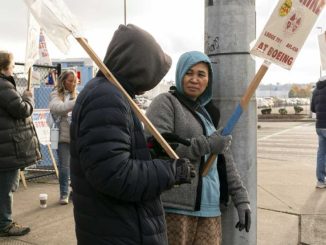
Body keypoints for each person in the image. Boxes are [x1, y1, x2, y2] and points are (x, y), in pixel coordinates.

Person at [69, 24, 195, 245]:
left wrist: (149, 149)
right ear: (139, 67)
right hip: (119, 230)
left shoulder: (110, 93)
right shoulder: (106, 97)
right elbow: (113, 174)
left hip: (119, 227)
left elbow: (113, 154)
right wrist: (169, 171)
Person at [146, 51, 251, 245]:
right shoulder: (166, 103)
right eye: (189, 73)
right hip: (174, 207)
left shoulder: (207, 114)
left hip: (210, 209)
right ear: (180, 74)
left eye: (201, 74)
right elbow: (158, 147)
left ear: (208, 80)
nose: (195, 79)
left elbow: (225, 161)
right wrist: (208, 144)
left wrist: (241, 198)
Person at [0, 51, 41, 237]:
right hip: (7, 147)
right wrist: (29, 98)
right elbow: (22, 109)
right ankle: (5, 224)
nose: (14, 67)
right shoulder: (3, 86)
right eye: (13, 64)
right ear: (5, 66)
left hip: (5, 146)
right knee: (6, 187)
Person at [49, 70, 78, 204]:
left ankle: (76, 192)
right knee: (65, 167)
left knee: (77, 166)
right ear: (63, 81)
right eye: (70, 81)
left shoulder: (76, 95)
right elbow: (58, 108)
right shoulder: (55, 94)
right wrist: (76, 103)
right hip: (62, 136)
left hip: (76, 136)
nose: (72, 83)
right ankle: (64, 194)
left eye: (74, 81)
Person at [311, 75, 326, 188]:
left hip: (319, 126)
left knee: (321, 154)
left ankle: (320, 181)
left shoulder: (316, 91)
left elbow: (312, 109)